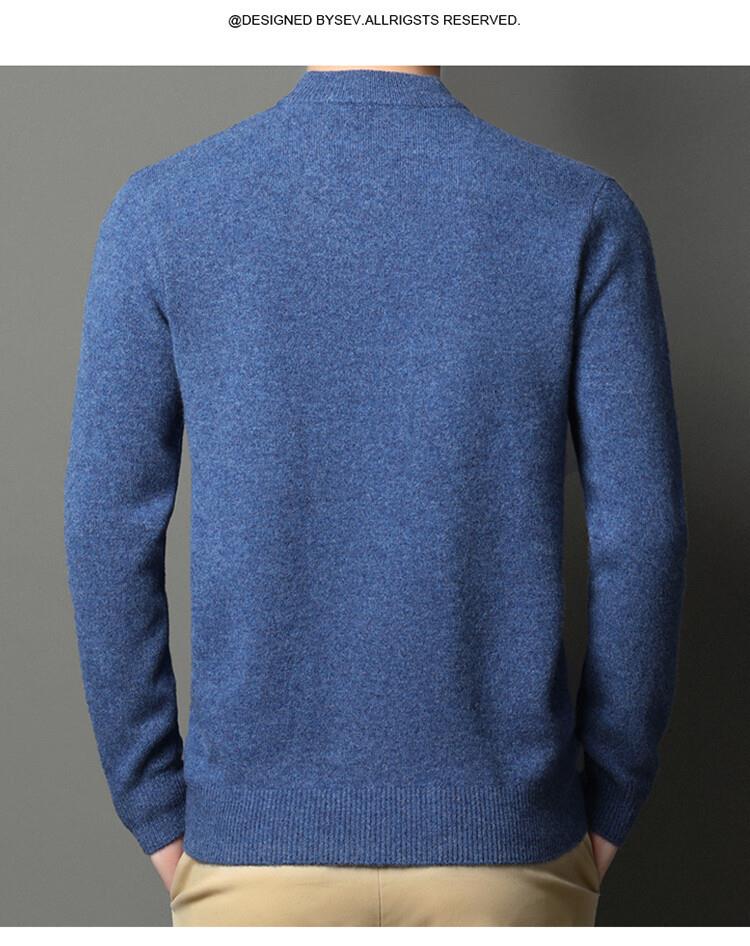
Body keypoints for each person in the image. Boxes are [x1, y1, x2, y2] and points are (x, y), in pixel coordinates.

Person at [63, 65, 688, 926]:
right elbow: (644, 533)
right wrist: (611, 798)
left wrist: (156, 808)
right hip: (510, 852)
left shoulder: (161, 211)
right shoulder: (580, 212)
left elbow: (104, 529)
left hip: (251, 857)